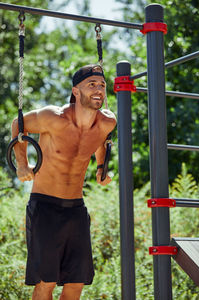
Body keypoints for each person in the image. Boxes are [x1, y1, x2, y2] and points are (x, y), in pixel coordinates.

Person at [11, 64, 116, 300]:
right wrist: (22, 163)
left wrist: (101, 168)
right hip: (45, 206)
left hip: (76, 209)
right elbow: (18, 124)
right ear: (76, 92)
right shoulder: (53, 117)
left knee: (76, 282)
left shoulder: (107, 121)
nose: (98, 89)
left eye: (102, 85)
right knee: (46, 282)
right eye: (92, 85)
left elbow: (102, 140)